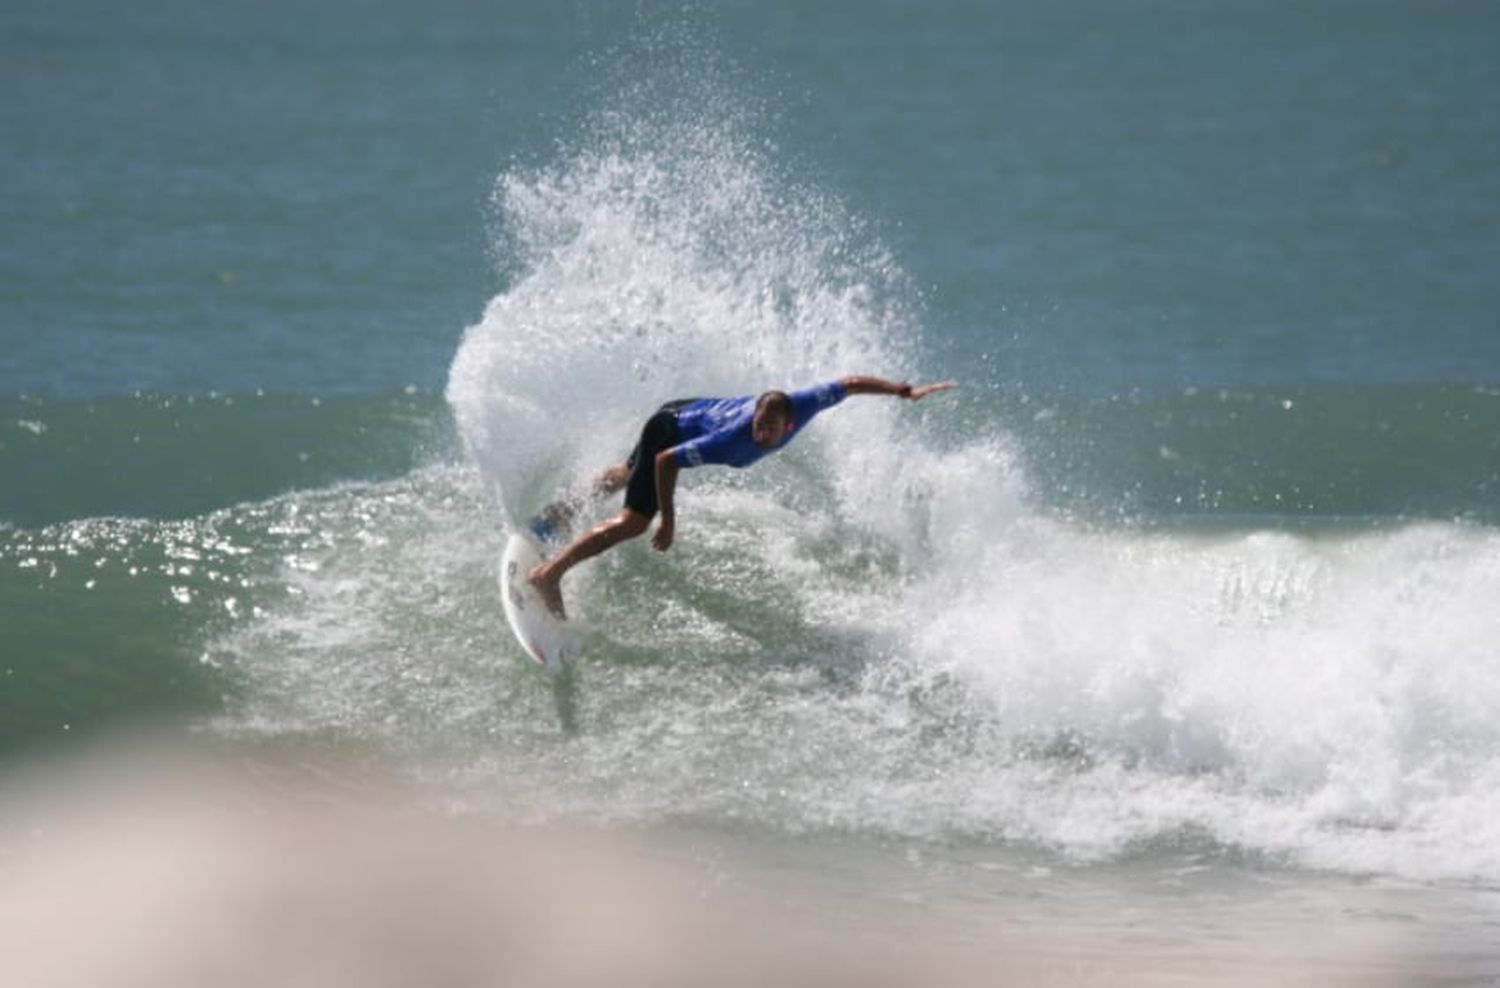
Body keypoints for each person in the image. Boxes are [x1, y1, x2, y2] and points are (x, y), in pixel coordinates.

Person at [528, 375, 956, 618]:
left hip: (683, 409)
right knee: (635, 520)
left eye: (768, 429)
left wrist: (902, 391)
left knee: (626, 473)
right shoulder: (731, 438)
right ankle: (549, 574)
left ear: (788, 424)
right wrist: (668, 522)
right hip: (670, 427)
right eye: (757, 425)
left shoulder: (802, 405)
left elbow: (848, 384)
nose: (760, 432)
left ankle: (558, 513)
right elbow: (665, 461)